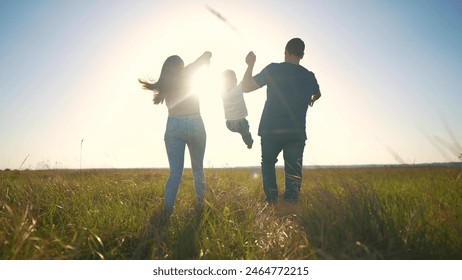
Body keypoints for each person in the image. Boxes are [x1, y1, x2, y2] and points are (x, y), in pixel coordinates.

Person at [242, 38, 321, 203]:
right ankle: (291, 209)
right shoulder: (309, 76)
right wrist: (311, 99)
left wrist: (250, 64)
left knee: (268, 164)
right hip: (297, 132)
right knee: (294, 171)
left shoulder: (273, 69)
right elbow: (318, 93)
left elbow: (246, 87)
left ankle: (272, 204)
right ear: (302, 55)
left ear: (285, 51)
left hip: (271, 129)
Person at [139, 51, 212, 214]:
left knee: (175, 173)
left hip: (173, 125)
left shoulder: (164, 84)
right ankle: (200, 206)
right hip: (194, 122)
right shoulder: (187, 73)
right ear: (181, 66)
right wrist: (207, 59)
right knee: (198, 170)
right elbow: (205, 55)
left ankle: (167, 211)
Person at [221, 69, 253, 149]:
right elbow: (245, 79)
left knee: (244, 133)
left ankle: (248, 142)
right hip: (241, 123)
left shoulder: (223, 93)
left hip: (229, 124)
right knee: (246, 134)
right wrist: (249, 66)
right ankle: (249, 144)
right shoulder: (238, 89)